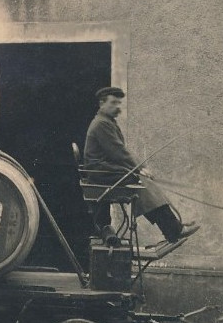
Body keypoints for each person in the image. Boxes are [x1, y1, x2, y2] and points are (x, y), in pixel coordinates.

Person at [83, 87, 198, 244]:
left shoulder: (106, 122)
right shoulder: (102, 124)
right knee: (142, 185)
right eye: (113, 102)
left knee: (143, 183)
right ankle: (173, 230)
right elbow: (119, 152)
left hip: (106, 171)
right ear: (102, 103)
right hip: (102, 172)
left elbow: (120, 152)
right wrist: (139, 169)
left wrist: (138, 168)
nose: (117, 106)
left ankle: (173, 227)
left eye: (119, 103)